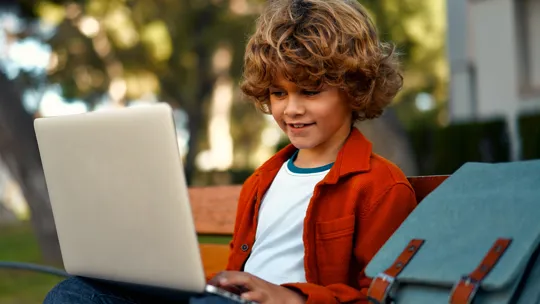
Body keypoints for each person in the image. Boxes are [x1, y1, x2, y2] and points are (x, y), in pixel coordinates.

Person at [43, 0, 417, 303]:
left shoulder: (380, 186)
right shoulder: (262, 181)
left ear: (354, 87)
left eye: (310, 91)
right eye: (278, 92)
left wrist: (291, 298)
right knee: (74, 294)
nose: (291, 109)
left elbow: (381, 297)